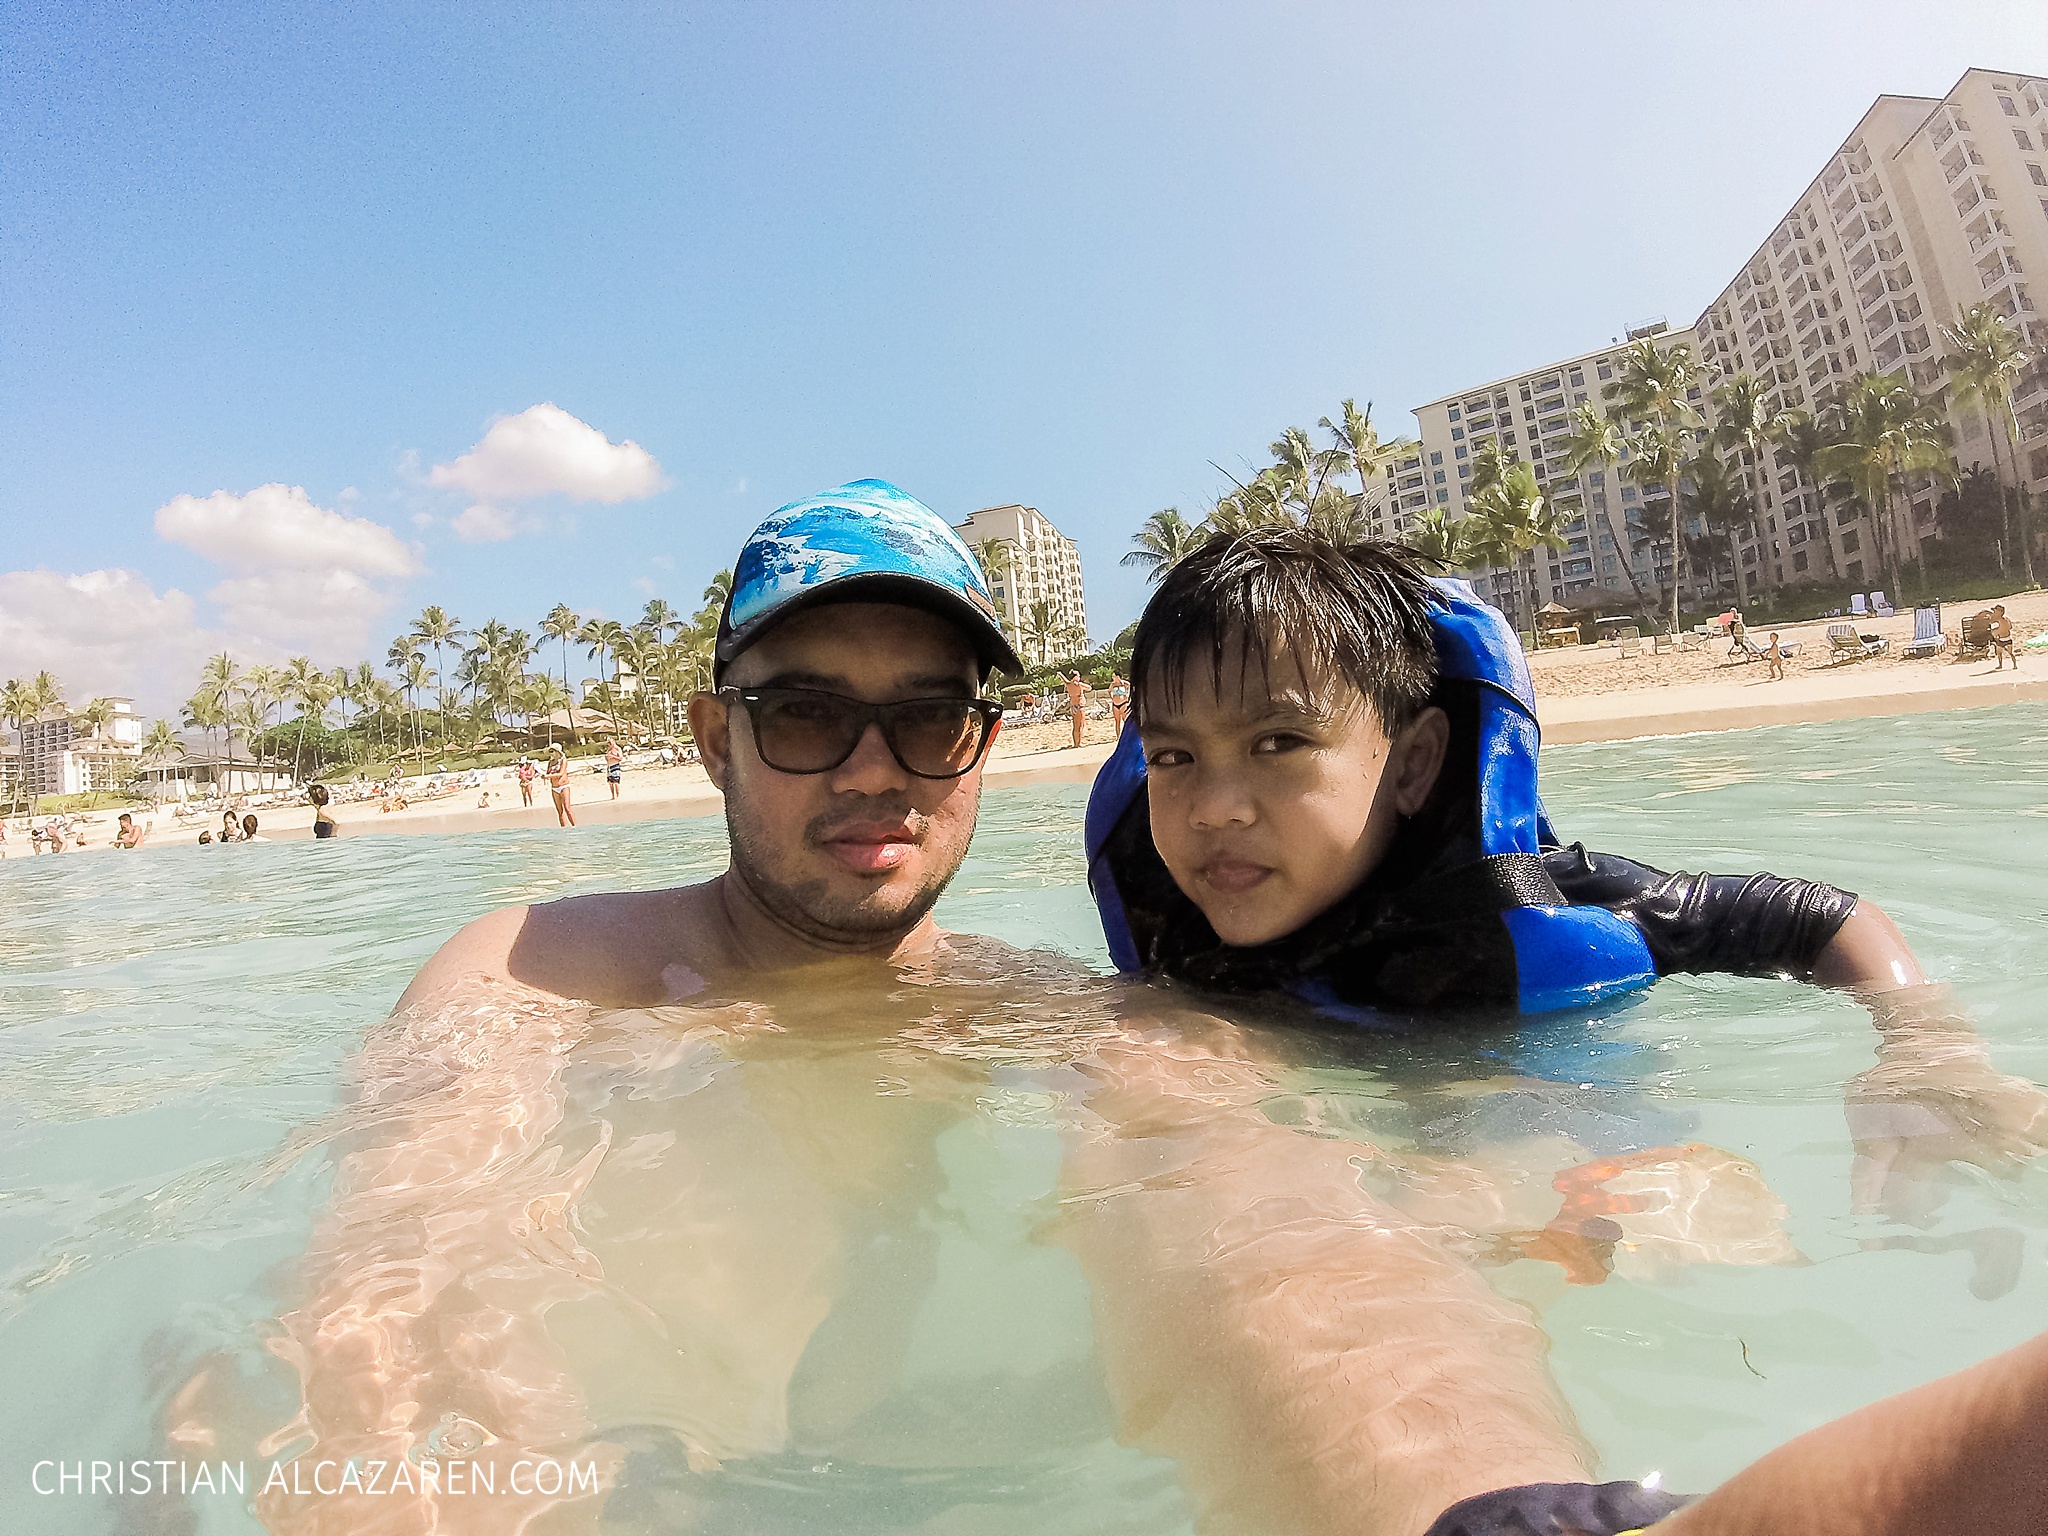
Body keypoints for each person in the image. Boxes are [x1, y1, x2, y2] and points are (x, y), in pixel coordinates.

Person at [545, 744, 575, 826]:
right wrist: (544, 775)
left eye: (552, 751)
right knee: (559, 811)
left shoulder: (563, 760)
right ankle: (563, 829)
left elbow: (561, 773)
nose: (550, 753)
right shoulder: (550, 762)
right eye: (550, 751)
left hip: (563, 786)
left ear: (557, 751)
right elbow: (548, 773)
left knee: (567, 808)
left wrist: (548, 776)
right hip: (554, 788)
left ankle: (574, 826)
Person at [1064, 669, 1093, 748]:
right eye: (1078, 676)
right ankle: (1078, 743)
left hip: (1073, 705)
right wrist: (1081, 684)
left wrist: (1060, 674)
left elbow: (1064, 679)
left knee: (1075, 725)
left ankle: (1075, 743)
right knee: (1080, 724)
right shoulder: (1079, 685)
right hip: (1079, 705)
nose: (1079, 677)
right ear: (1075, 676)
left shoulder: (1068, 684)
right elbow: (1089, 688)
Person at [1991, 602, 2018, 669]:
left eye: (1995, 611)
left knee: (1999, 653)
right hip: (2008, 638)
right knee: (2011, 653)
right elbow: (2010, 627)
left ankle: (2000, 665)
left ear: (2000, 612)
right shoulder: (2007, 619)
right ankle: (2015, 665)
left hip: (2001, 639)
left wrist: (1995, 632)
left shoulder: (1998, 620)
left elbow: (1996, 630)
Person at [604, 735, 624, 800]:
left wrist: (613, 756)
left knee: (615, 782)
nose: (609, 744)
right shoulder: (609, 750)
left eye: (610, 743)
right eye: (609, 743)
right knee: (610, 783)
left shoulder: (617, 749)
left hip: (615, 765)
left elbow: (620, 758)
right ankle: (613, 796)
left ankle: (618, 795)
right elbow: (606, 758)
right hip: (609, 766)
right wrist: (607, 757)